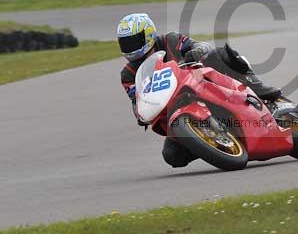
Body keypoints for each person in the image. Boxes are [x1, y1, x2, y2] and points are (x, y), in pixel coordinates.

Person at [116, 12, 282, 167]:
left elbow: (201, 45)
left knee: (220, 53)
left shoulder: (170, 40)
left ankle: (255, 85)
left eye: (133, 41)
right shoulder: (128, 75)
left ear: (148, 35)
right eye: (125, 43)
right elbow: (136, 100)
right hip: (173, 109)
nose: (130, 47)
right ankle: (207, 141)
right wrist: (140, 112)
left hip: (200, 83)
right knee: (172, 155)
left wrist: (197, 52)